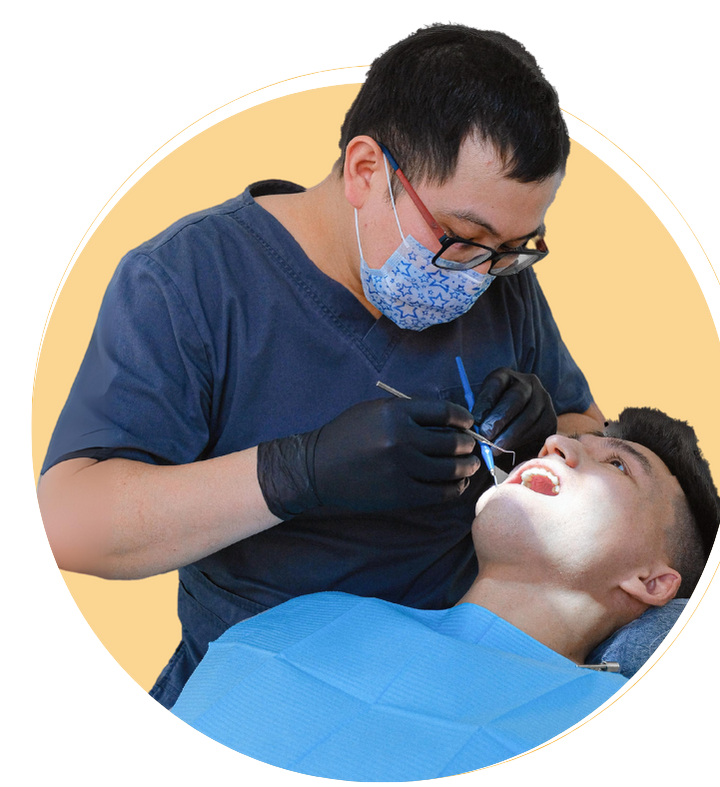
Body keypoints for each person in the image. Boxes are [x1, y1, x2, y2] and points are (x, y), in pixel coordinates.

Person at [37, 23, 605, 710]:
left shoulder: (496, 275)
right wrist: (295, 471)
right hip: (263, 688)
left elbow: (589, 433)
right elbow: (69, 520)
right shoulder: (189, 279)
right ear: (366, 170)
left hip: (452, 670)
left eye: (514, 247)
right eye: (462, 238)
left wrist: (546, 431)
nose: (481, 273)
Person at [171, 408, 720, 781]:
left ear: (653, 582)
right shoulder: (315, 614)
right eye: (569, 440)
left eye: (619, 464)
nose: (555, 441)